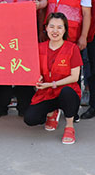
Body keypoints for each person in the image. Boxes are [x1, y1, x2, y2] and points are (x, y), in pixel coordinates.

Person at [24, 13, 83, 145]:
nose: (55, 31)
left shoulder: (72, 48)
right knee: (30, 119)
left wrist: (52, 84)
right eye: (51, 27)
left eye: (59, 27)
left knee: (67, 93)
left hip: (66, 92)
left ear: (65, 30)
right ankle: (52, 113)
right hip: (47, 93)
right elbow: (33, 71)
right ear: (46, 28)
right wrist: (37, 78)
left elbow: (75, 77)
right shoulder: (39, 48)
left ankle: (69, 126)